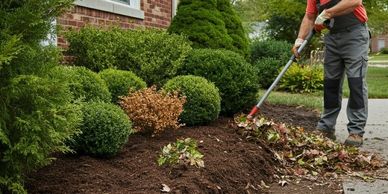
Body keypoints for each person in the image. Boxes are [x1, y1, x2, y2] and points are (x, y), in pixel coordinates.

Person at [292, 0, 369, 147]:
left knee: (356, 82)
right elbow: (309, 17)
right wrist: (300, 39)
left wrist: (327, 13)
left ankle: (356, 131)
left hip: (355, 34)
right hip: (332, 37)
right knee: (331, 84)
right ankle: (326, 127)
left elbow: (355, 1)